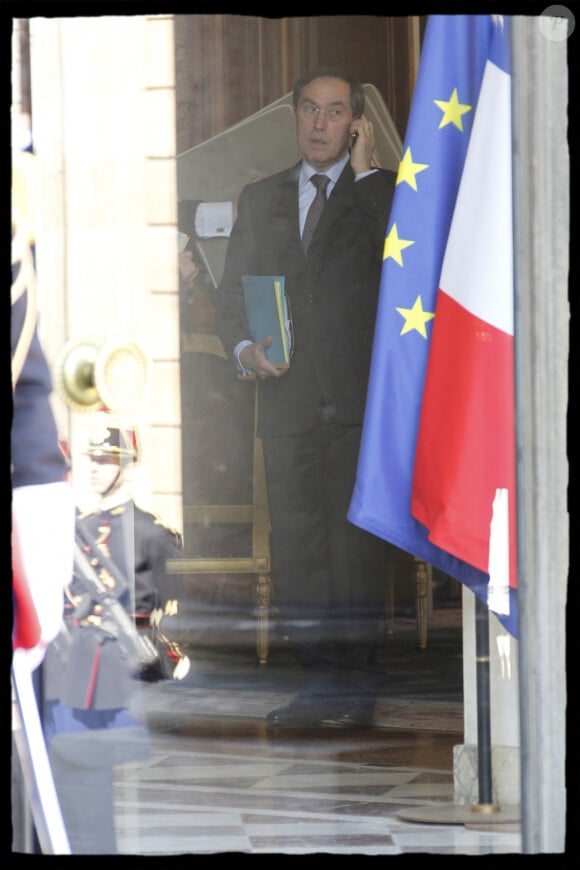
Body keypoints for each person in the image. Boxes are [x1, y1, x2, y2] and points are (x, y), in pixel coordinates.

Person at [214, 66, 396, 728]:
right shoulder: (260, 198)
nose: (321, 124)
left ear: (355, 124)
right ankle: (319, 685)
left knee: (353, 551)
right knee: (299, 550)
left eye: (336, 112)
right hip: (286, 405)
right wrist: (244, 352)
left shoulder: (380, 195)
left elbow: (401, 267)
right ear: (295, 119)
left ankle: (358, 687)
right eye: (311, 111)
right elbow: (231, 296)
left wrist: (370, 173)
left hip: (354, 407)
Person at [42, 417, 185, 853]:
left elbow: (168, 605)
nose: (97, 466)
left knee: (89, 785)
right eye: (94, 458)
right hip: (68, 666)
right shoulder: (77, 525)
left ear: (130, 465)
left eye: (110, 459)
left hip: (110, 670)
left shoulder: (150, 532)